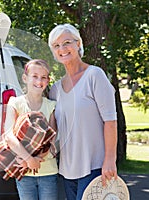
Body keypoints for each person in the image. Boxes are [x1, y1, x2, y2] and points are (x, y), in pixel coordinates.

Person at [48, 23, 118, 200]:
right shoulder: (55, 89)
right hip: (66, 170)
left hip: (94, 167)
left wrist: (110, 160)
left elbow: (110, 121)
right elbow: (54, 130)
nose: (62, 49)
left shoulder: (94, 75)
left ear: (78, 44)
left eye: (67, 43)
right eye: (56, 46)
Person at [3, 59, 58, 200]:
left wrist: (36, 160)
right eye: (35, 76)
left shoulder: (51, 105)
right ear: (25, 78)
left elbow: (52, 139)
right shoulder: (15, 103)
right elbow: (9, 135)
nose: (39, 81)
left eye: (43, 77)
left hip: (48, 171)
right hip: (24, 171)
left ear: (48, 80)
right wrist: (28, 159)